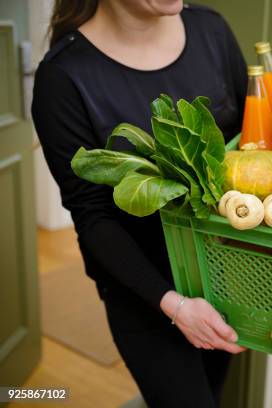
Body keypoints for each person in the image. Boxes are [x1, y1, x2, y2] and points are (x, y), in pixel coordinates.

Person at [32, 1, 247, 406]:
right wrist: (175, 305)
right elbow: (92, 215)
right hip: (145, 294)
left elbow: (252, 142)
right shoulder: (63, 77)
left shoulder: (211, 30)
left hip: (226, 277)